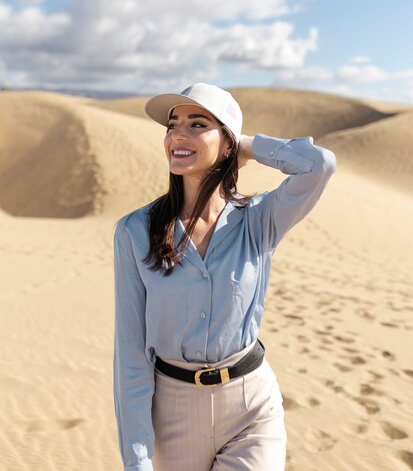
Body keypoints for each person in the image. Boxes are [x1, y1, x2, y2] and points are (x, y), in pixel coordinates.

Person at [113, 83, 336, 471]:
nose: (178, 135)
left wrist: (246, 144)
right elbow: (131, 355)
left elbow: (319, 165)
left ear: (228, 143)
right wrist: (137, 460)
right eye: (172, 125)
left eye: (197, 124)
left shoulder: (260, 219)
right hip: (173, 414)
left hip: (251, 404)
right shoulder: (134, 231)